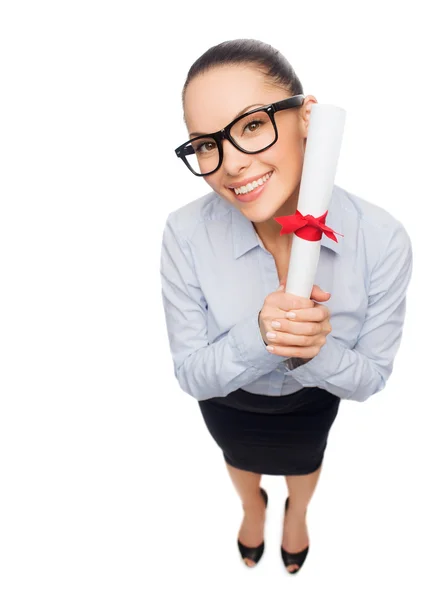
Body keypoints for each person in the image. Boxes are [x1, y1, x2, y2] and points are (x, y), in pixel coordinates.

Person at [160, 38, 413, 573]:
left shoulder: (382, 239)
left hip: (310, 404)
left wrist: (315, 350)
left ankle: (297, 512)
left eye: (252, 125)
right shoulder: (184, 233)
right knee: (239, 460)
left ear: (307, 119)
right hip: (229, 403)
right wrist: (259, 333)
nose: (230, 165)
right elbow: (192, 375)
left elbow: (369, 380)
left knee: (305, 461)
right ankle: (252, 507)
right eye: (205, 144)